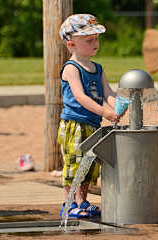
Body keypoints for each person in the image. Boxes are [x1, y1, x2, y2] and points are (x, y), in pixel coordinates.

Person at [57, 14, 124, 218]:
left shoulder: (98, 68)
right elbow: (80, 97)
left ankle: (82, 202)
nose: (95, 43)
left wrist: (117, 106)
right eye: (89, 40)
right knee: (74, 164)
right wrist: (105, 112)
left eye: (96, 39)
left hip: (93, 124)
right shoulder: (71, 68)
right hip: (74, 124)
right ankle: (69, 204)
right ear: (72, 44)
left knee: (90, 166)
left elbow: (108, 93)